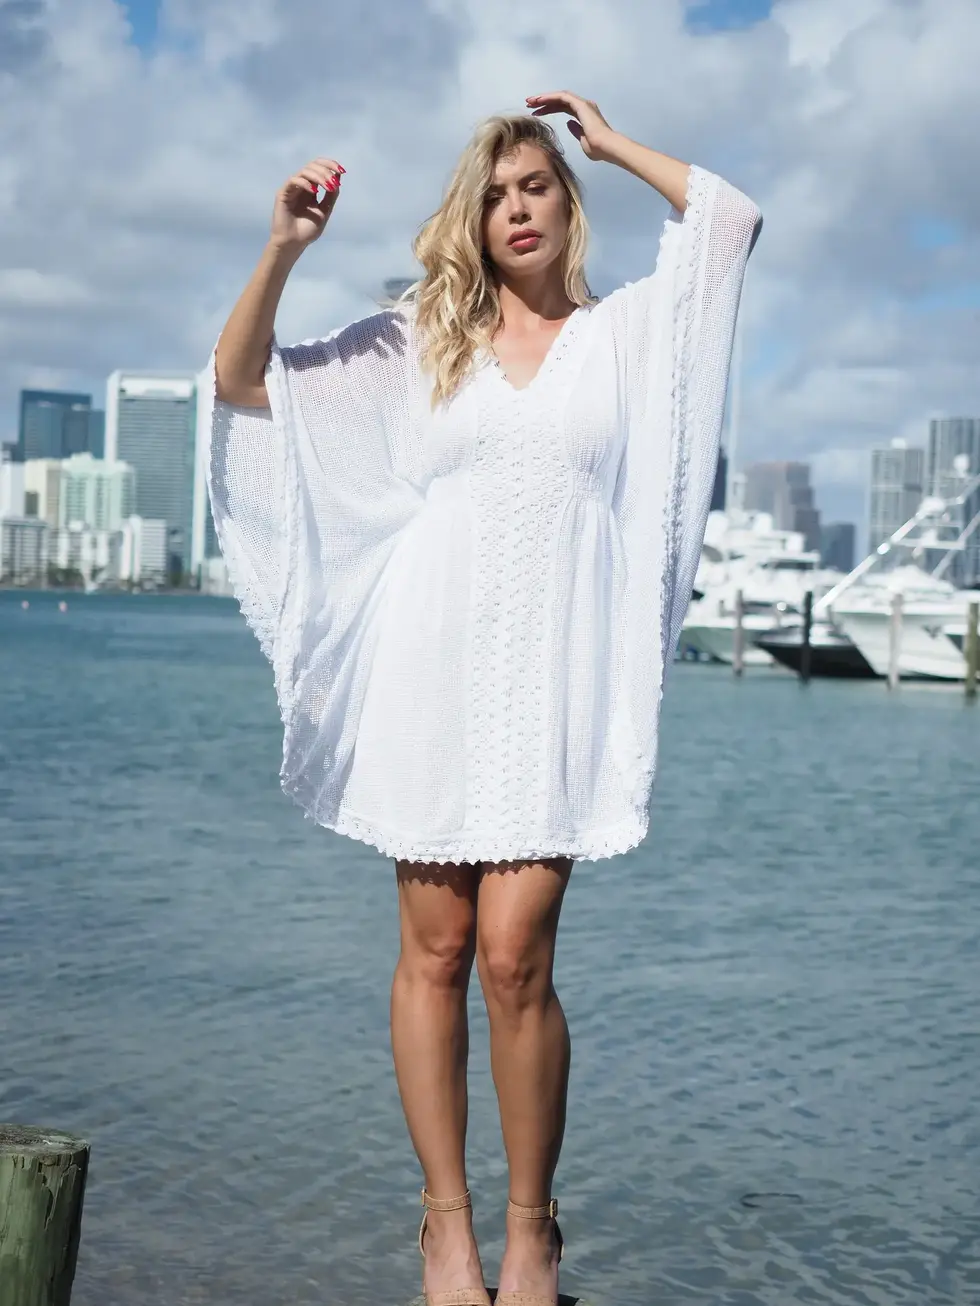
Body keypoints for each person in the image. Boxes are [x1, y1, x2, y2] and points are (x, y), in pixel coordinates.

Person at [204, 90, 762, 1306]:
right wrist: (283, 248)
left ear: (567, 203)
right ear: (472, 217)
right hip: (430, 662)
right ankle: (444, 1232)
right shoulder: (422, 340)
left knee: (515, 958)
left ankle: (530, 1230)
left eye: (537, 186)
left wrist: (608, 141)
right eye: (497, 193)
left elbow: (727, 222)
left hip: (554, 674)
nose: (516, 209)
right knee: (438, 948)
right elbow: (241, 386)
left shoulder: (625, 338)